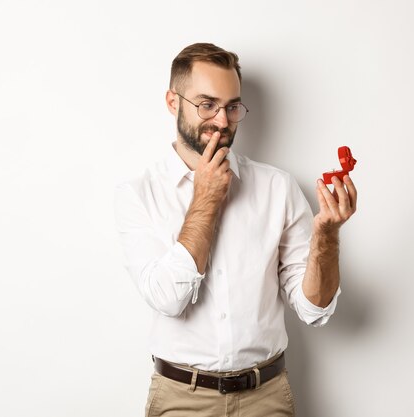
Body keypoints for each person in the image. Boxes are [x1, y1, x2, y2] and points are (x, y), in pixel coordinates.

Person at [114, 43, 357, 417]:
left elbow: (314, 308)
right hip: (182, 399)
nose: (223, 121)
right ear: (172, 102)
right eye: (206, 104)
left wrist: (326, 235)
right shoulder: (139, 194)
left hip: (267, 397)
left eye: (232, 106)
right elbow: (167, 298)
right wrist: (206, 199)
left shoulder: (278, 187)